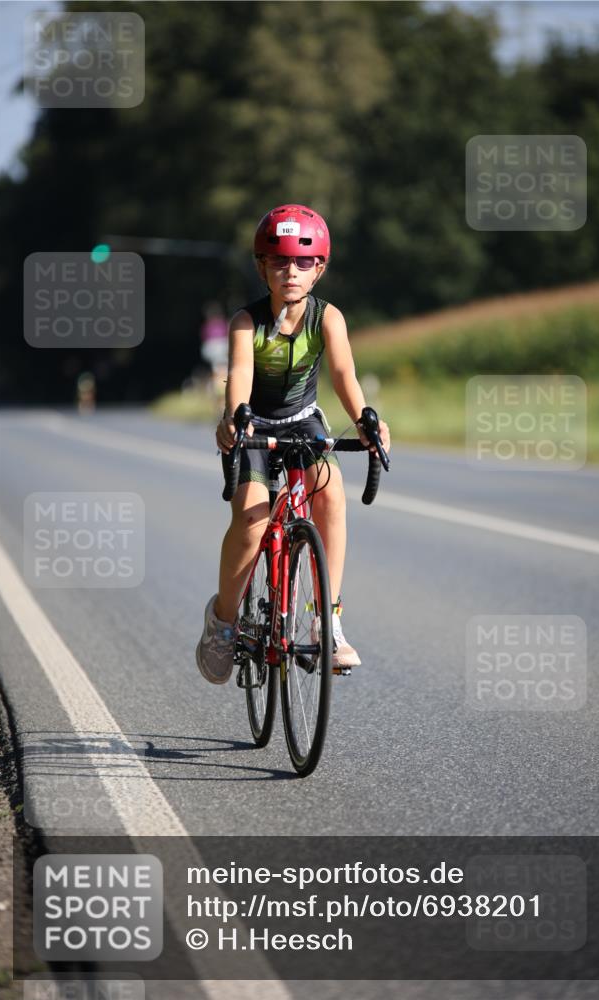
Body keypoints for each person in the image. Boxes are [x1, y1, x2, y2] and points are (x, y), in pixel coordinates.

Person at [196, 203, 391, 684]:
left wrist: (365, 420)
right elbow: (240, 372)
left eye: (304, 262)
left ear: (319, 268)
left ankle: (328, 621)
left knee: (331, 496)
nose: (291, 271)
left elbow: (344, 374)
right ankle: (222, 622)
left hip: (302, 421)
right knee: (250, 520)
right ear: (262, 266)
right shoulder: (247, 321)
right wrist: (234, 415)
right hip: (254, 425)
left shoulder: (328, 318)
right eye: (279, 261)